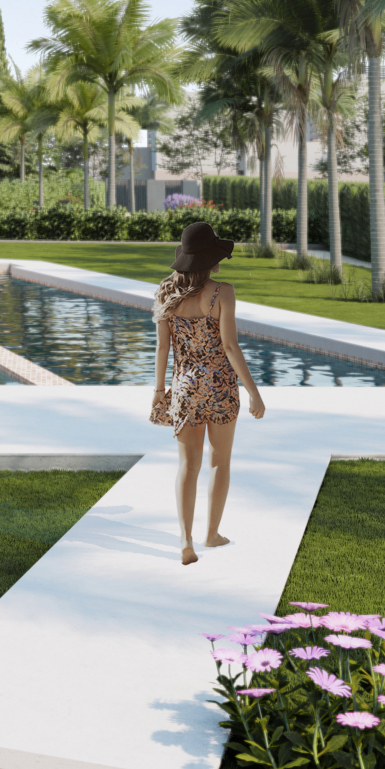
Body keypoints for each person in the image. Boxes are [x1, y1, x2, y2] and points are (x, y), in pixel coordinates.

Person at [150, 221, 266, 565]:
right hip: (220, 388)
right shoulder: (222, 293)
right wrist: (254, 393)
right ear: (209, 259)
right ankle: (212, 534)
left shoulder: (165, 291)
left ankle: (186, 540)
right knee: (220, 461)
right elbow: (230, 346)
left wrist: (159, 391)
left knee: (188, 466)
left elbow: (161, 348)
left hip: (185, 389)